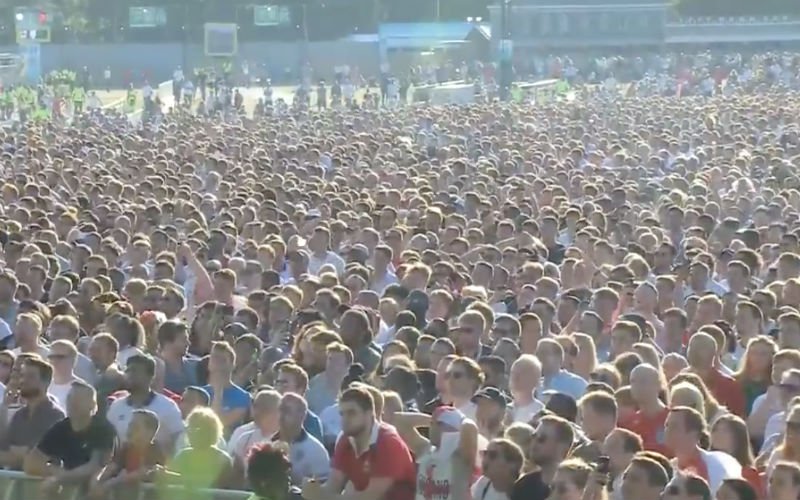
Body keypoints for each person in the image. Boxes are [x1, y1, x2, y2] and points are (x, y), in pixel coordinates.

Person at [301, 386, 416, 500]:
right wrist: (313, 491)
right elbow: (333, 485)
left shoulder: (388, 441)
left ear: (369, 414)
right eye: (342, 414)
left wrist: (321, 497)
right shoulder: (345, 439)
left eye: (351, 413)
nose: (345, 419)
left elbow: (370, 497)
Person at [24, 381, 117, 492]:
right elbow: (31, 463)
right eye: (70, 398)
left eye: (78, 400)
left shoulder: (103, 430)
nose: (73, 403)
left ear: (93, 406)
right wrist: (54, 470)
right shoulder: (60, 428)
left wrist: (60, 479)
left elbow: (94, 467)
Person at [394, 406, 478, 500]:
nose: (431, 428)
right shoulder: (426, 450)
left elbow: (470, 428)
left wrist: (459, 419)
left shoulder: (461, 457)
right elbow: (398, 420)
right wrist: (434, 418)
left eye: (439, 424)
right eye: (431, 424)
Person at [106, 353, 184, 449]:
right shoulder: (116, 406)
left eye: (134, 371)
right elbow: (108, 440)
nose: (129, 375)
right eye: (127, 371)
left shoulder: (167, 406)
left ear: (150, 376)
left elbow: (179, 440)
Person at [0, 357, 65, 470]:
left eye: (30, 376)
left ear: (46, 382)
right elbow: (4, 450)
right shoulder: (19, 415)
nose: (23, 380)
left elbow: (35, 456)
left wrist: (18, 452)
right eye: (23, 376)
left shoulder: (55, 415)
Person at [89, 409, 166, 499]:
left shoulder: (154, 450)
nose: (130, 430)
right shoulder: (126, 448)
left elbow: (142, 472)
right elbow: (111, 467)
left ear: (150, 432)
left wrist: (110, 483)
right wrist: (97, 480)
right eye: (130, 426)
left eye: (135, 427)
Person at [664, 406, 741, 494]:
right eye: (667, 425)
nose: (667, 431)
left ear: (693, 434)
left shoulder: (717, 465)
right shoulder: (669, 468)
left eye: (674, 427)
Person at [274, 392, 330, 485]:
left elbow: (322, 487)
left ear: (301, 416)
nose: (281, 415)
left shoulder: (315, 450)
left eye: (287, 411)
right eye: (280, 410)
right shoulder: (267, 442)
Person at [204, 341, 251, 432]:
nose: (217, 363)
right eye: (214, 358)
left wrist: (218, 392)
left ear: (232, 365)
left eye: (222, 360)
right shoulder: (199, 393)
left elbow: (218, 424)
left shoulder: (243, 397)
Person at [47, 339, 85, 410]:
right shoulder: (43, 386)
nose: (54, 361)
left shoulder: (81, 389)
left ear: (73, 360)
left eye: (60, 357)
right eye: (51, 357)